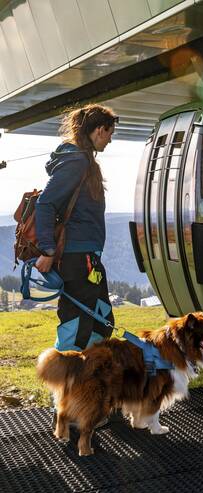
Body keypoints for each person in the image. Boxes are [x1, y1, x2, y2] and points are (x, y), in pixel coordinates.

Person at [35, 104, 118, 353]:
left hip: (88, 258)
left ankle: (90, 379)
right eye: (110, 133)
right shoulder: (76, 162)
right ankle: (65, 383)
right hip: (76, 258)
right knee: (78, 324)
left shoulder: (84, 161)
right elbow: (45, 203)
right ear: (100, 130)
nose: (110, 140)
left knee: (101, 321)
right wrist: (48, 251)